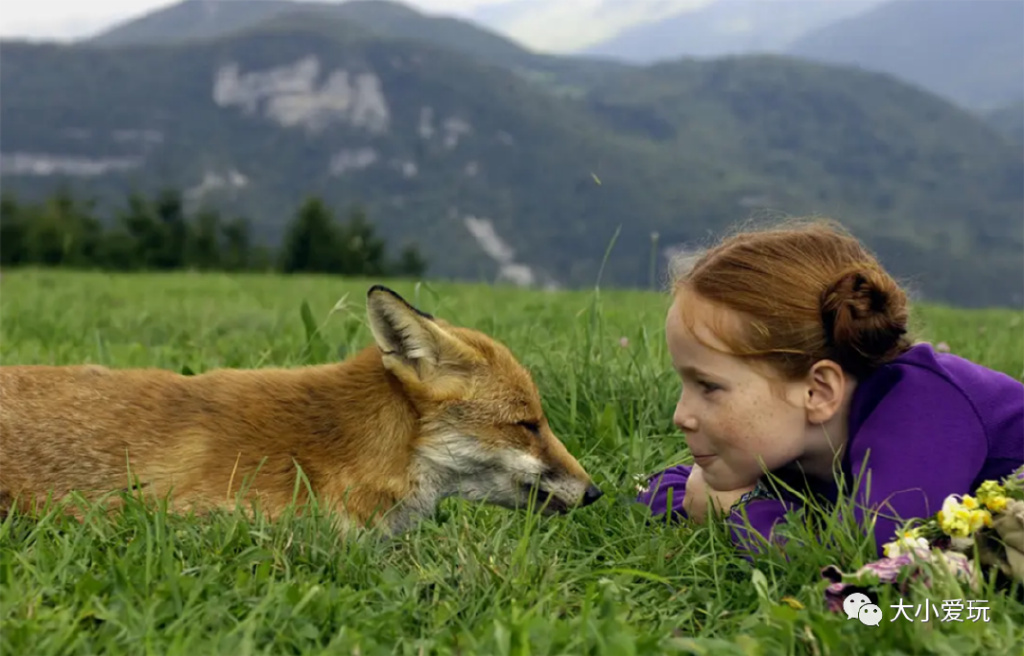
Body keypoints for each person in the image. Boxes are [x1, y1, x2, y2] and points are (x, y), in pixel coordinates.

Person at [635, 218, 1024, 558]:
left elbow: (874, 555)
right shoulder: (795, 441)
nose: (680, 416)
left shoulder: (924, 410)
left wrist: (737, 513)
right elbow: (666, 489)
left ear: (817, 391)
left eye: (708, 386)